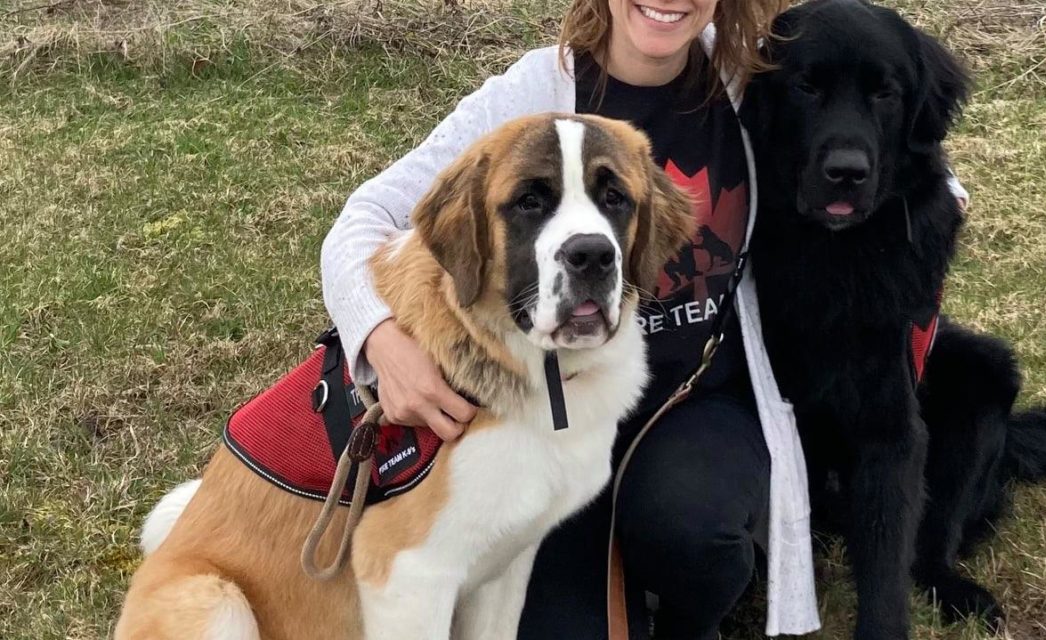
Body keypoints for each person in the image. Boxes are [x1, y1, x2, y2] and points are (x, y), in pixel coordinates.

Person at [321, 1, 968, 637]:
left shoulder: (747, 81)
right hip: (552, 420)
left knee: (697, 530)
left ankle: (690, 619)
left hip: (691, 406)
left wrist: (932, 221)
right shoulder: (536, 92)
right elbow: (362, 221)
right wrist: (376, 336)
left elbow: (891, 156)